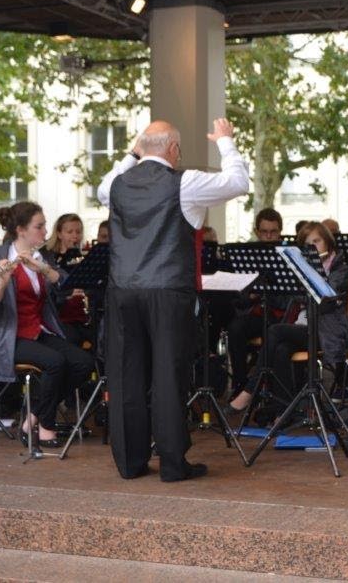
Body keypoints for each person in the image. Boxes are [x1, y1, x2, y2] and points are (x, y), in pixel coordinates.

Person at [100, 118, 249, 481]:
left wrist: (130, 155)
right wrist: (226, 142)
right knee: (168, 374)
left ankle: (131, 463)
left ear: (142, 148)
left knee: (126, 376)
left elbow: (103, 189)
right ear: (173, 149)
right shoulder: (185, 182)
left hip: (123, 290)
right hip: (167, 290)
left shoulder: (117, 184)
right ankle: (171, 463)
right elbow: (238, 182)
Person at [0, 202, 95, 449]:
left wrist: (45, 270)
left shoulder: (42, 258)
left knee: (83, 362)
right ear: (21, 230)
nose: (44, 231)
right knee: (55, 363)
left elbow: (68, 285)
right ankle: (46, 429)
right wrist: (1, 284)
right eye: (39, 227)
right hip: (8, 338)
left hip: (37, 331)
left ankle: (33, 418)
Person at [226, 222, 348, 419]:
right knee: (282, 349)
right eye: (308, 244)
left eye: (317, 241)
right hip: (302, 327)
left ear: (327, 241)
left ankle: (250, 390)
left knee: (275, 331)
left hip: (326, 331)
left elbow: (324, 300)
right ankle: (284, 411)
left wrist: (307, 277)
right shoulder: (301, 268)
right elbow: (285, 300)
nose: (313, 248)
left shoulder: (340, 268)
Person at [223, 207, 288, 394]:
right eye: (264, 232)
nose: (268, 236)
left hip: (281, 314)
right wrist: (250, 296)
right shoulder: (246, 255)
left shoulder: (288, 254)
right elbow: (239, 300)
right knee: (236, 328)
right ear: (256, 232)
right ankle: (240, 385)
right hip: (257, 311)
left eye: (273, 232)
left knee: (276, 334)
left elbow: (292, 297)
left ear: (280, 231)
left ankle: (273, 389)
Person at [41, 213, 93, 350]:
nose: (75, 236)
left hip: (83, 315)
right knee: (72, 340)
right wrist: (67, 294)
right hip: (62, 316)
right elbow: (49, 292)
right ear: (59, 234)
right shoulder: (50, 259)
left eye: (78, 231)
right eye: (69, 232)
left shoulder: (85, 258)